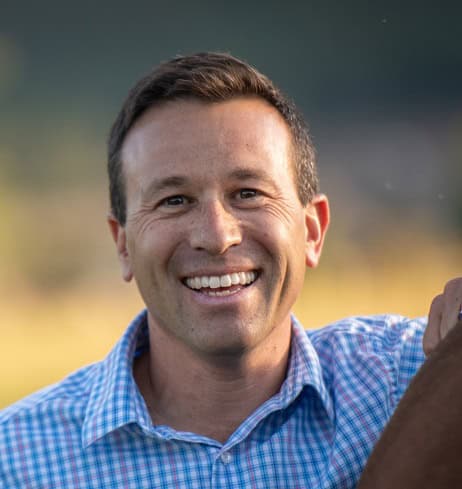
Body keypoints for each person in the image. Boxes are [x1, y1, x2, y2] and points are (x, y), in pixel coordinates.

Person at [0, 52, 460, 488]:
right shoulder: (16, 462)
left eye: (248, 193)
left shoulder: (414, 379)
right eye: (174, 201)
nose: (217, 236)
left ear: (313, 230)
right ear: (123, 244)